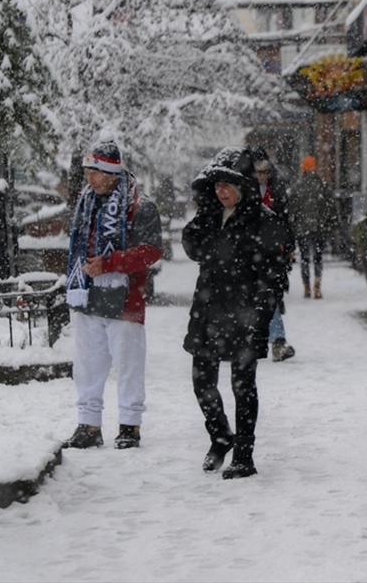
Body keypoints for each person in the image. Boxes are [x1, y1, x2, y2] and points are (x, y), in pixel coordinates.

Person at [182, 147, 292, 478]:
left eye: (227, 185)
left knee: (242, 385)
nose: (220, 191)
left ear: (243, 186)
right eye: (215, 185)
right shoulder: (212, 216)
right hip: (208, 310)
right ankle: (220, 436)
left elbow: (274, 277)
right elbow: (192, 247)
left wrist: (260, 315)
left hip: (246, 314)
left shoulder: (264, 221)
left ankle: (244, 454)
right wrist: (203, 215)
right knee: (202, 381)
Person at [63, 136, 163, 450]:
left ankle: (129, 425)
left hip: (125, 298)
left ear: (111, 173)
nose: (89, 179)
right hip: (88, 295)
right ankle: (88, 425)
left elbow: (151, 251)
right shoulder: (85, 201)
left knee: (129, 363)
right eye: (87, 172)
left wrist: (111, 263)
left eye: (95, 172)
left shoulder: (140, 206)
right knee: (87, 364)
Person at [251, 149, 296, 362]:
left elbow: (286, 221)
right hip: (250, 252)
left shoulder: (277, 191)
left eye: (264, 172)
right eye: (257, 172)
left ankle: (277, 340)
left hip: (272, 252)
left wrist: (288, 246)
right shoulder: (243, 191)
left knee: (271, 295)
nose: (260, 176)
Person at [289, 155, 336, 299]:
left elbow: (292, 210)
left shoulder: (297, 187)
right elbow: (330, 207)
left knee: (304, 258)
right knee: (318, 257)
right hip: (319, 228)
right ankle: (317, 285)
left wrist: (293, 226)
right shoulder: (322, 185)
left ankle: (306, 287)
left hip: (302, 229)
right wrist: (330, 224)